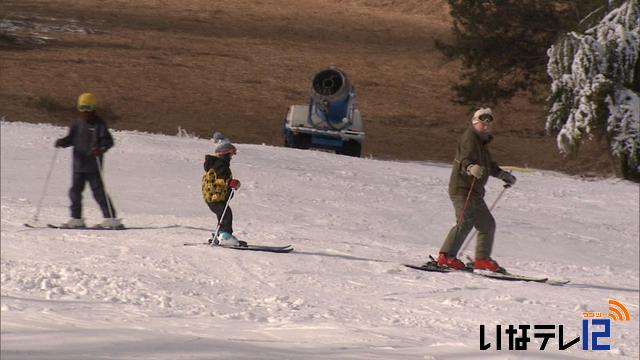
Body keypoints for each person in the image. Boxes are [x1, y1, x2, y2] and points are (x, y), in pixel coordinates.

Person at [436, 108, 516, 272]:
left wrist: (502, 174)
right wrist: (470, 167)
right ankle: (446, 257)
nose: (485, 126)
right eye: (482, 123)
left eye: (488, 123)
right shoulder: (469, 139)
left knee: (487, 225)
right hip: (462, 189)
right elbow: (464, 158)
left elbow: (488, 165)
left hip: (475, 193)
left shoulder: (482, 144)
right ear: (474, 122)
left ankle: (482, 260)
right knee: (465, 221)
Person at [54, 93, 120, 228]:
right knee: (74, 192)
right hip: (78, 166)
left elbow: (108, 141)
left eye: (88, 110)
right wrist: (62, 142)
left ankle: (111, 218)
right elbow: (71, 139)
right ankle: (76, 218)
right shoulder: (77, 123)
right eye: (82, 110)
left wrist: (100, 149)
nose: (85, 113)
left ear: (93, 109)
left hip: (93, 166)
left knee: (98, 192)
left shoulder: (99, 124)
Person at [202, 132, 243, 246]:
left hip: (213, 197)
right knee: (226, 214)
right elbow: (220, 179)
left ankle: (219, 235)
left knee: (223, 214)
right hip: (214, 197)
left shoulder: (218, 163)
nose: (231, 157)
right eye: (230, 154)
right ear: (225, 153)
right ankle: (225, 236)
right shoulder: (221, 164)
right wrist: (230, 182)